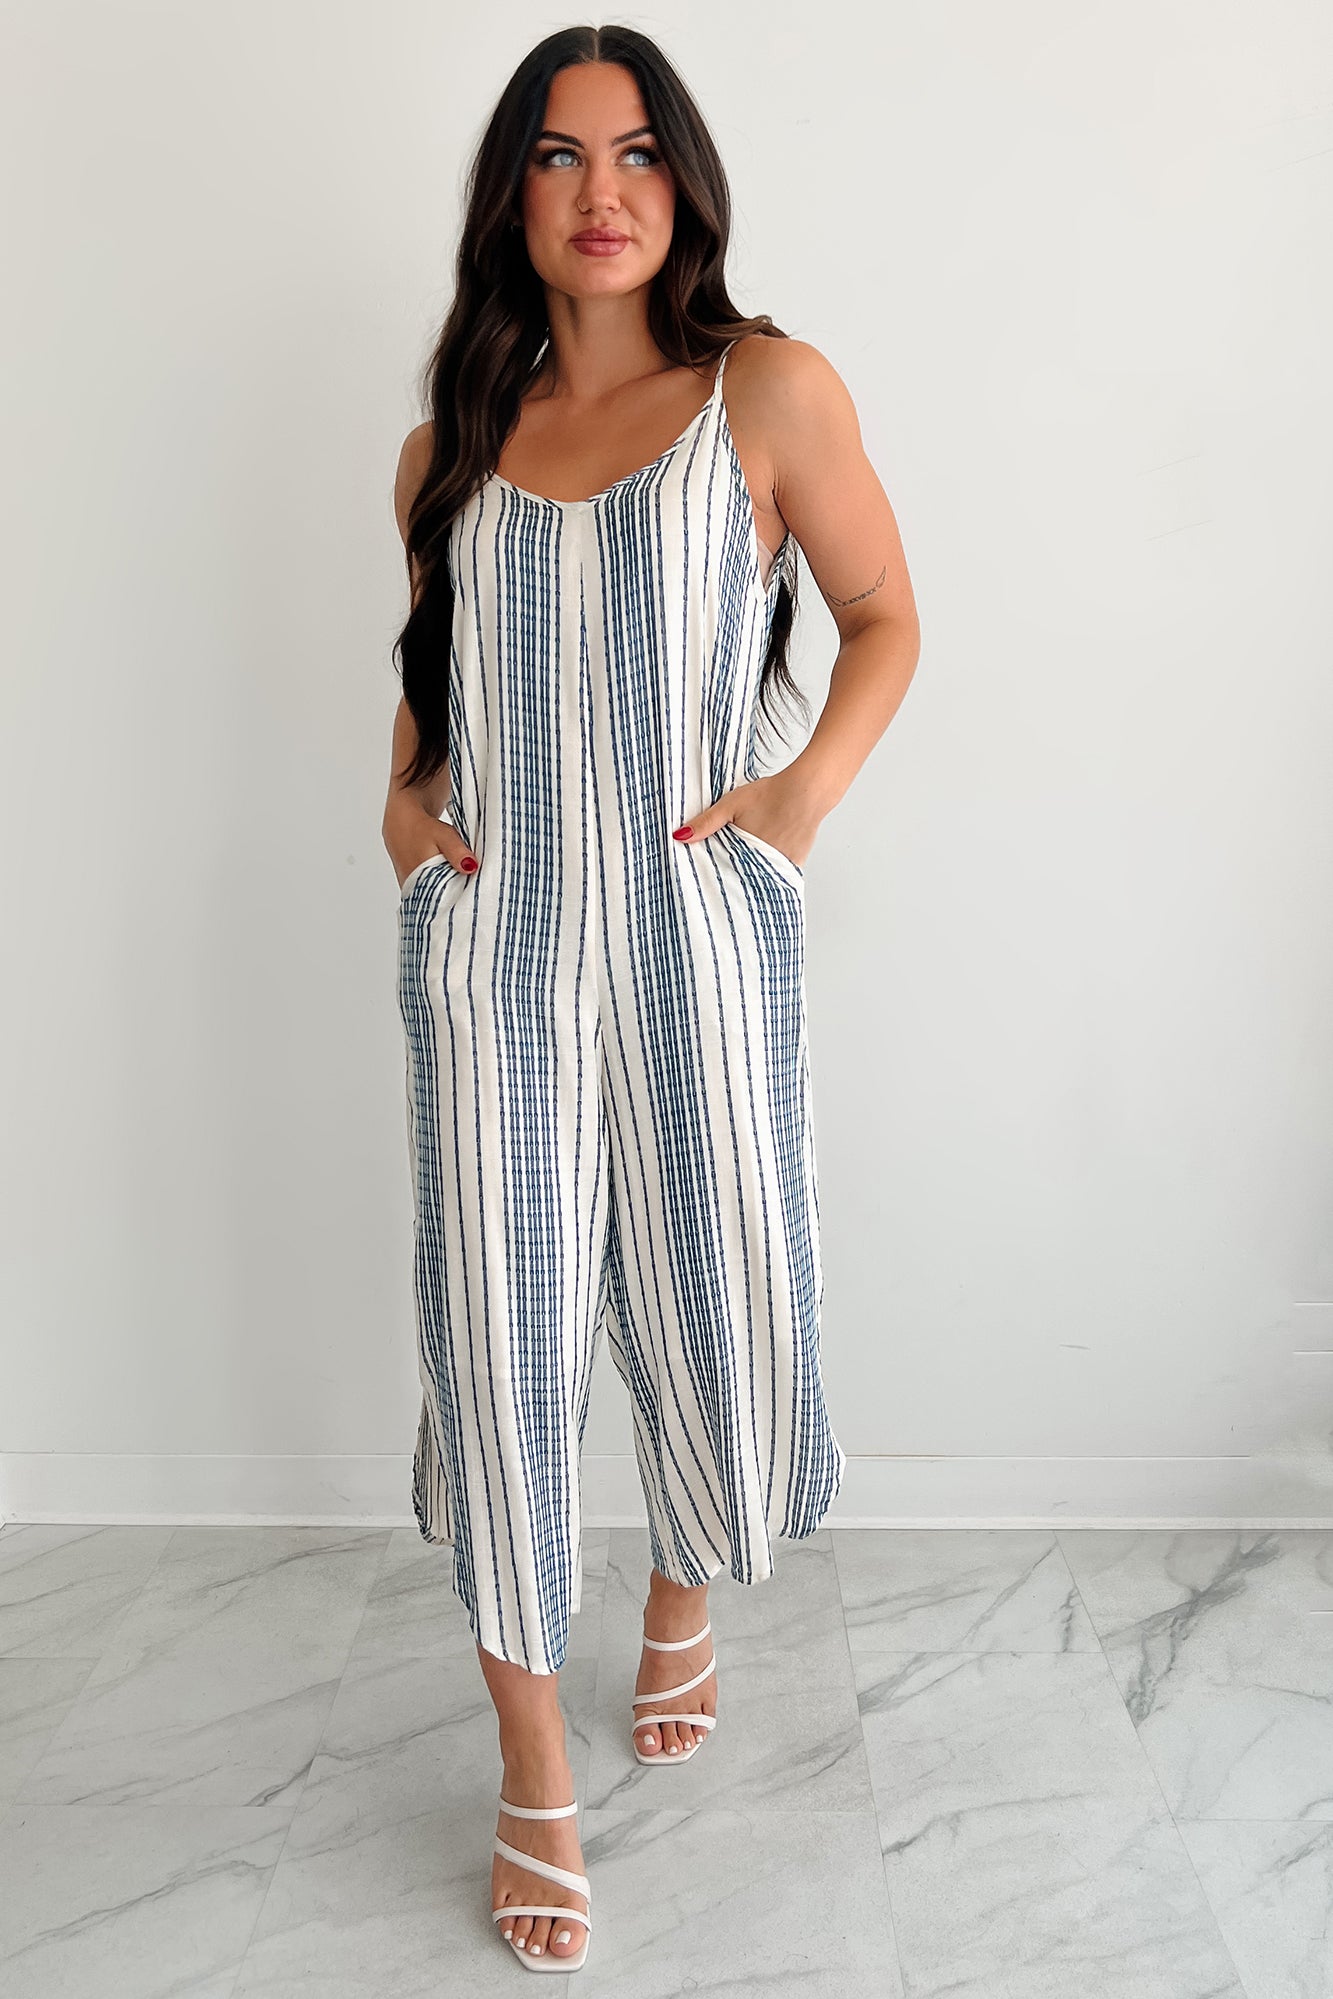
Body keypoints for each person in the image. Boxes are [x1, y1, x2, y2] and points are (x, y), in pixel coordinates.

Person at [382, 23, 919, 1974]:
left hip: (694, 936)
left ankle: (684, 1584)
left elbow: (883, 615)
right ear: (509, 197)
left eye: (632, 152)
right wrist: (403, 809)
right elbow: (433, 691)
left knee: (717, 1294)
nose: (598, 191)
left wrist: (794, 800)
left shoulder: (765, 391)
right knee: (499, 1343)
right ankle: (532, 1767)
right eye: (555, 154)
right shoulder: (448, 447)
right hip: (497, 956)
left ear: (681, 182)